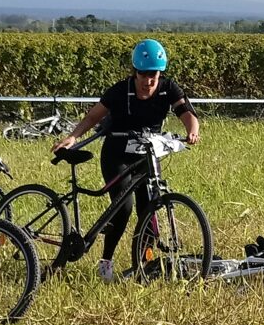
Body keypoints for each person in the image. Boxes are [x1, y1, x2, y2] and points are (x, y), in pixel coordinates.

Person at [52, 38, 202, 280]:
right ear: (135, 73)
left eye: (153, 75)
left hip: (147, 154)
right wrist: (72, 137)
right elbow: (92, 117)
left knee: (149, 207)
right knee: (123, 208)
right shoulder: (120, 91)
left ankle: (143, 265)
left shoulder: (168, 88)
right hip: (117, 153)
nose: (149, 81)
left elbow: (187, 113)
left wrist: (192, 131)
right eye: (143, 75)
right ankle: (106, 261)